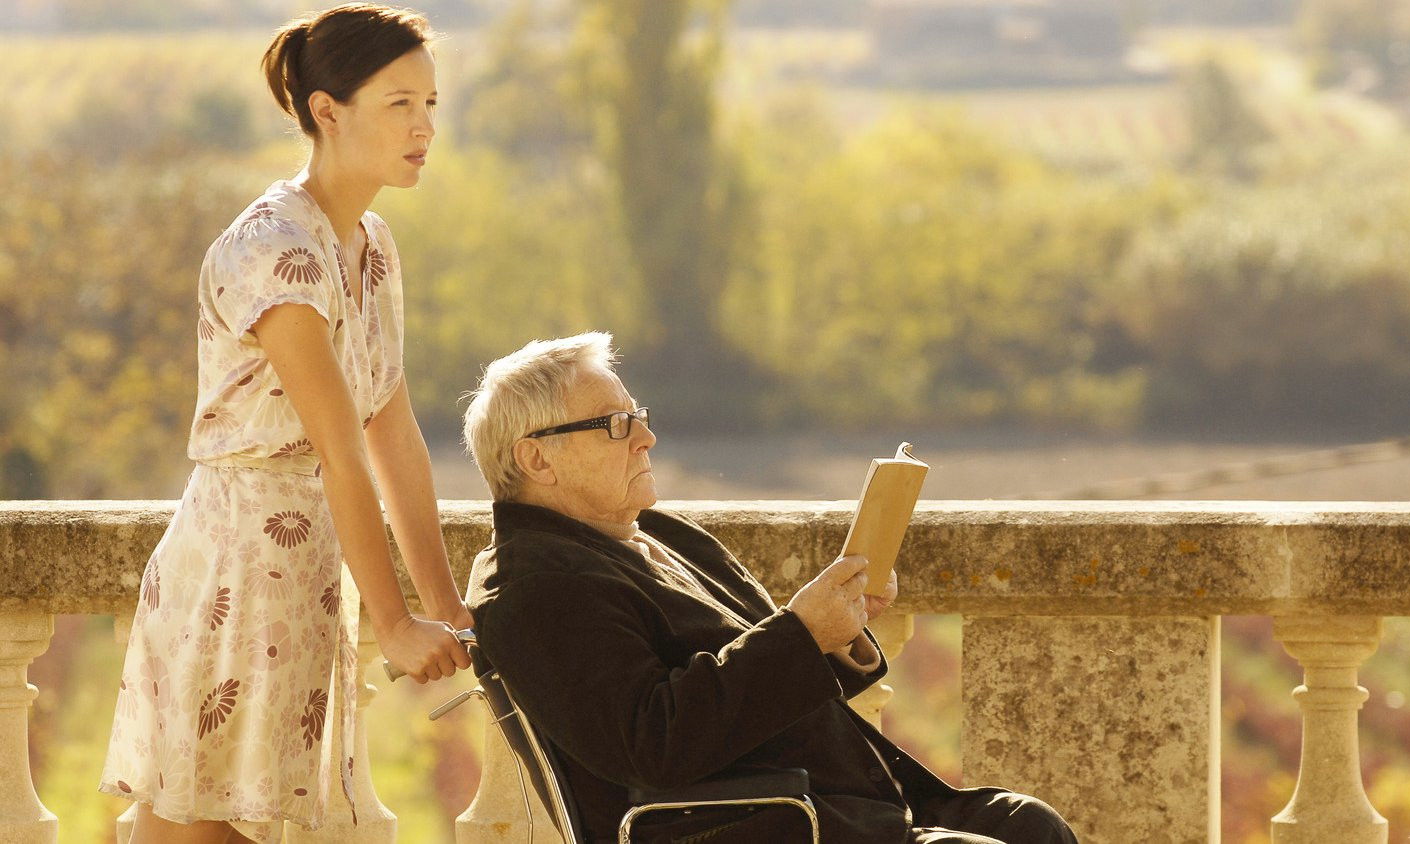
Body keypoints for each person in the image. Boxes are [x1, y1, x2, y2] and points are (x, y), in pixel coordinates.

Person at [462, 332, 1077, 844]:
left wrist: (836, 633)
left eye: (639, 417)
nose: (646, 438)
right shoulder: (532, 587)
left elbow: (757, 675)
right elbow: (653, 743)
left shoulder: (660, 533)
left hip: (834, 804)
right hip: (767, 823)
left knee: (1028, 825)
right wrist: (802, 632)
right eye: (617, 425)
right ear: (537, 459)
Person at [99, 5, 471, 842]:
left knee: (229, 829)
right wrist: (394, 623)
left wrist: (447, 606)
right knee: (198, 829)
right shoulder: (274, 249)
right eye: (399, 104)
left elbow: (392, 432)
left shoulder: (372, 245)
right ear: (326, 111)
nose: (424, 127)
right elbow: (342, 453)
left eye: (430, 104)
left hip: (305, 575)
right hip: (236, 570)